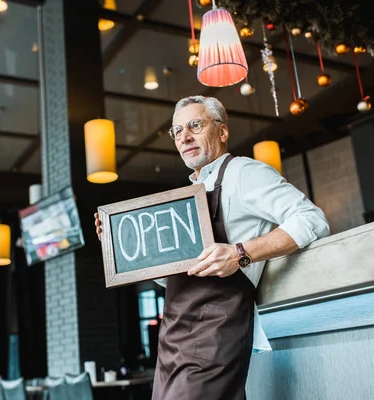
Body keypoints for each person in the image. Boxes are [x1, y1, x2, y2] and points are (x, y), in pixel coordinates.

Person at [94, 95, 330, 400]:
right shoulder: (186, 196)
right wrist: (120, 244)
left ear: (222, 131)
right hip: (173, 340)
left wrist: (240, 253)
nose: (185, 137)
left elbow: (312, 219)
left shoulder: (244, 172)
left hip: (216, 333)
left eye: (195, 125)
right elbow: (174, 278)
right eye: (177, 131)